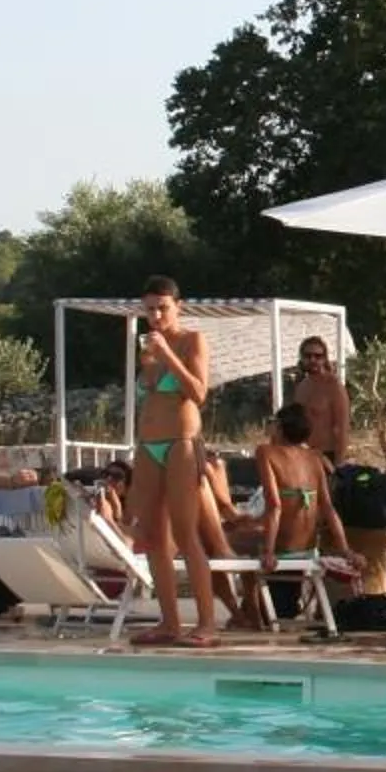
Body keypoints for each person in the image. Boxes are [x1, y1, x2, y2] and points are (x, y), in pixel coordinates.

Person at [128, 277, 219, 647]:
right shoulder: (146, 349)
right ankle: (169, 622)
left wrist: (167, 355)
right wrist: (155, 356)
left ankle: (207, 624)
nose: (155, 315)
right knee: (152, 536)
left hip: (181, 443)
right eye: (149, 309)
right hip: (148, 445)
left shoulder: (191, 340)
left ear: (178, 307)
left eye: (162, 308)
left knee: (185, 533)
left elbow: (198, 392)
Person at [257, 400, 355, 579]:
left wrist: (268, 551)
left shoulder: (266, 452)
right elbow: (327, 507)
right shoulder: (315, 457)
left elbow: (275, 506)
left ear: (280, 427)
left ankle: (243, 598)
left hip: (282, 548)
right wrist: (345, 549)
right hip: (308, 548)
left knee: (236, 539)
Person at [290, 335, 352, 465]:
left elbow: (342, 429)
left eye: (318, 356)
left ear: (324, 359)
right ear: (302, 358)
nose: (313, 360)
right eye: (308, 356)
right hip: (303, 456)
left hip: (327, 456)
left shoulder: (334, 386)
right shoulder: (302, 387)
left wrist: (339, 465)